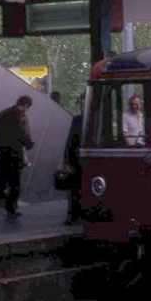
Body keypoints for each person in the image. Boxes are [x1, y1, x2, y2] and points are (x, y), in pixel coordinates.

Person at [0, 95, 34, 219]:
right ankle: (11, 210)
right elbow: (24, 136)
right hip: (15, 155)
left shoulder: (2, 114)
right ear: (26, 105)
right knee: (14, 184)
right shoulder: (22, 117)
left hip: (1, 153)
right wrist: (29, 144)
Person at [63, 94, 85, 225]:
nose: (83, 107)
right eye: (82, 104)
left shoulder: (79, 120)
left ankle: (75, 214)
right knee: (75, 188)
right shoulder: (77, 119)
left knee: (77, 189)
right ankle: (73, 214)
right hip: (77, 159)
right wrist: (67, 159)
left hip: (83, 158)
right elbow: (71, 140)